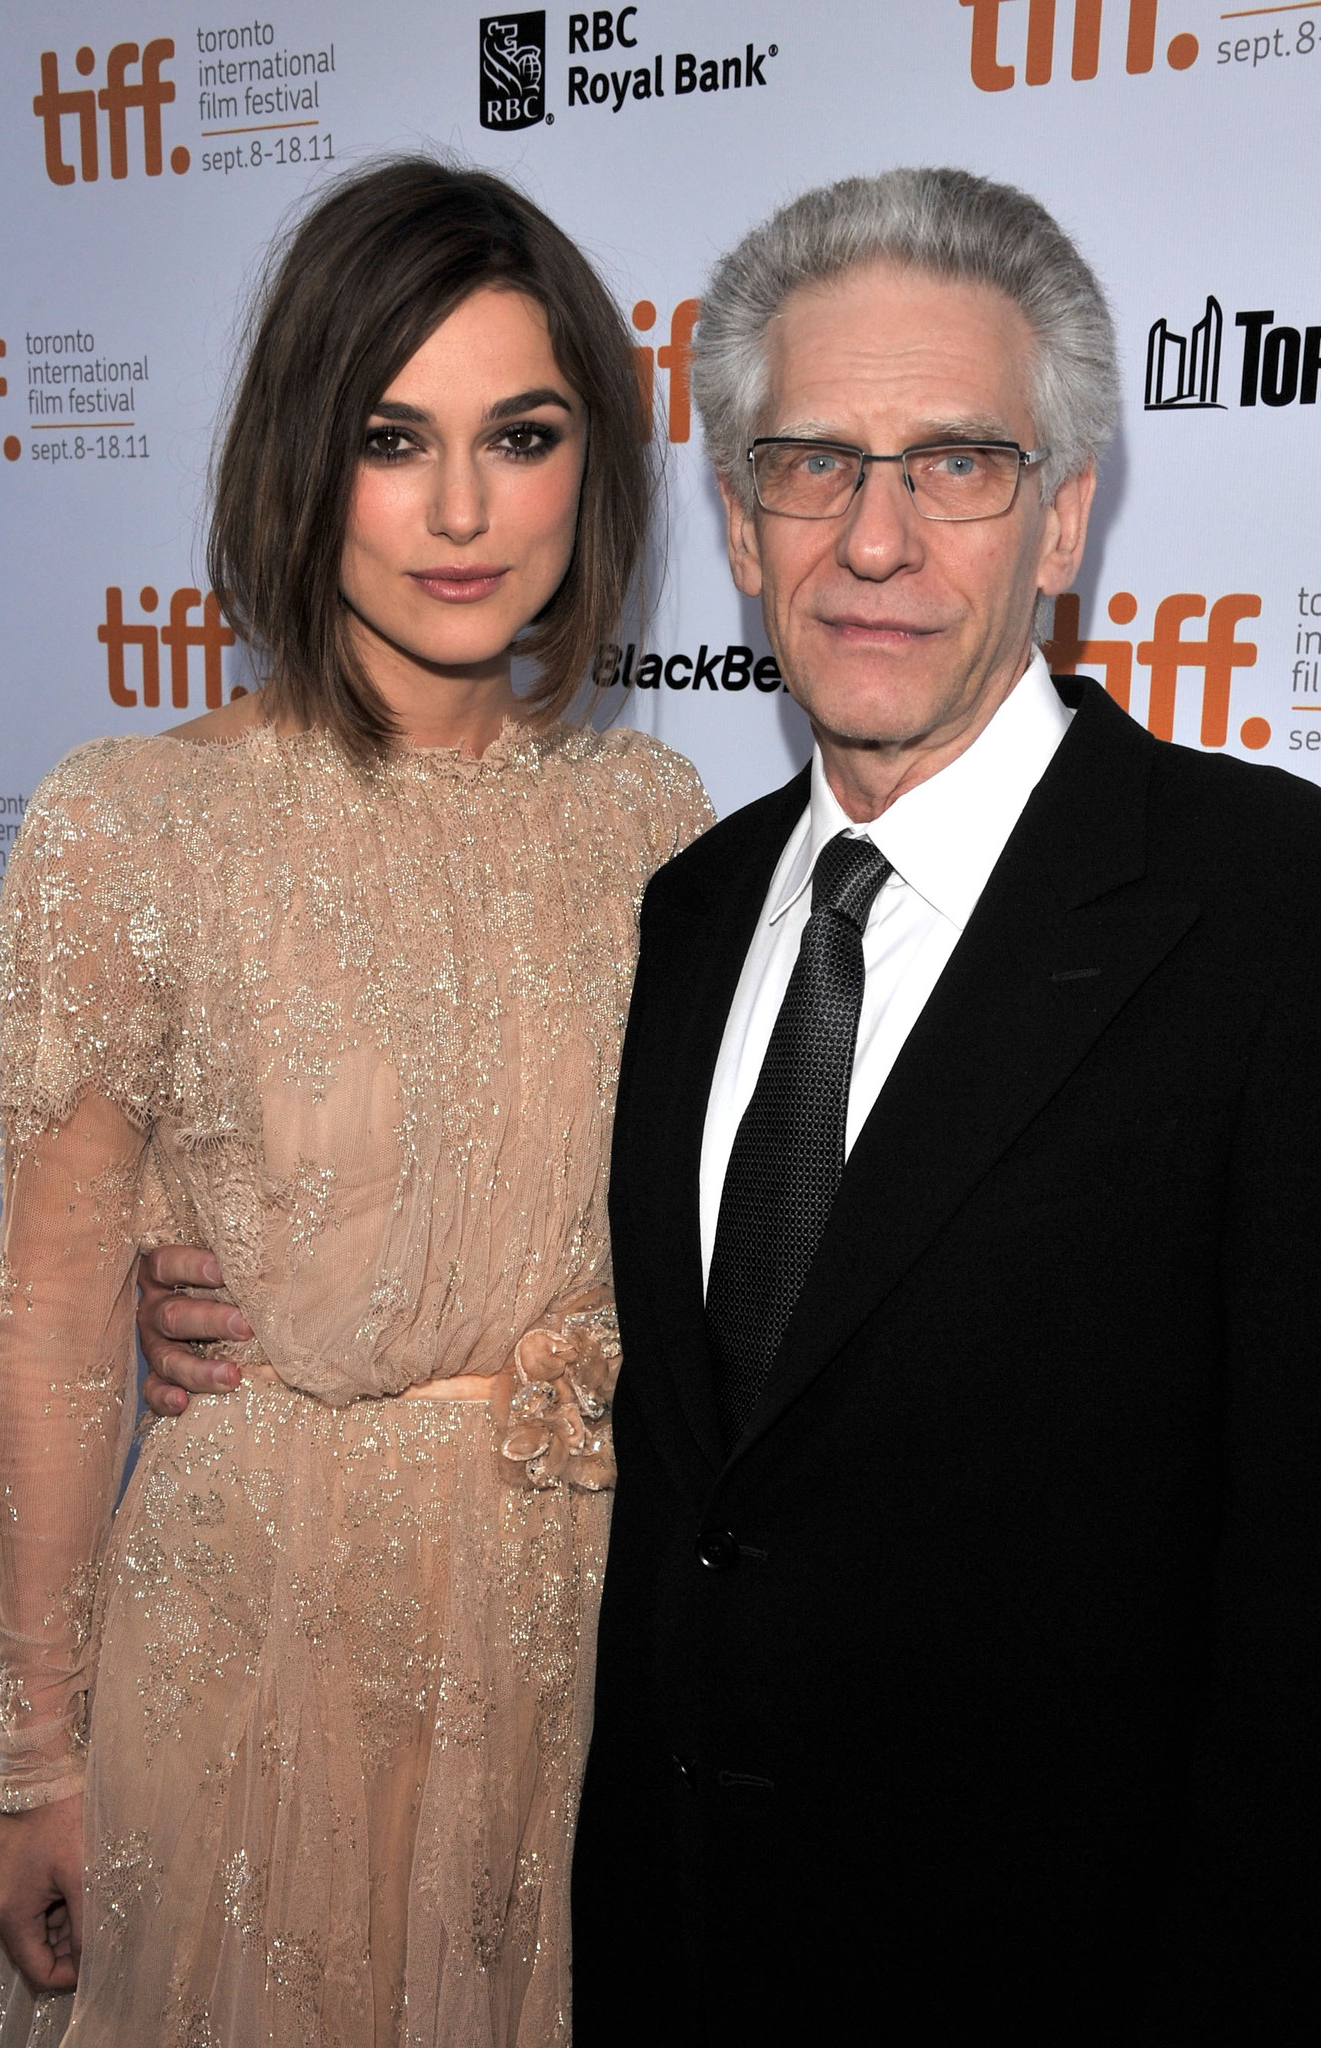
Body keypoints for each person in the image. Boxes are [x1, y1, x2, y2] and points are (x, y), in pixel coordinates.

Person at [565, 169, 1321, 2043]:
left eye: (956, 464)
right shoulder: (687, 905)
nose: (874, 541)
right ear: (741, 528)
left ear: (1063, 515)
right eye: (812, 464)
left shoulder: (1268, 906)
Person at [0, 157, 709, 2048]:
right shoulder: (131, 823)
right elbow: (53, 1329)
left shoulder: (660, 829)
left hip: (573, 1645)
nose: (462, 511)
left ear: (592, 464)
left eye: (520, 434)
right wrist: (37, 1756)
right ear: (308, 454)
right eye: (394, 436)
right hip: (251, 1632)